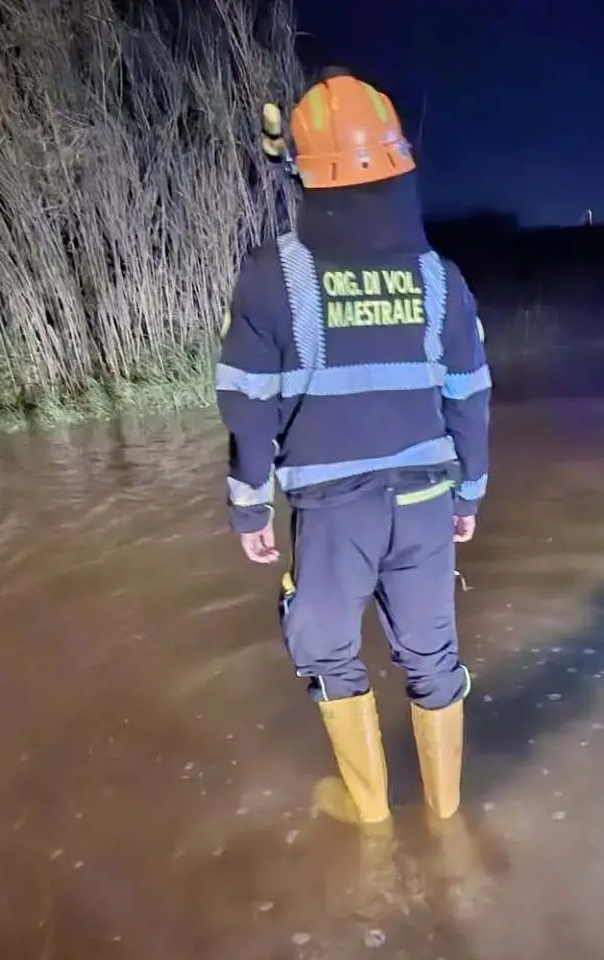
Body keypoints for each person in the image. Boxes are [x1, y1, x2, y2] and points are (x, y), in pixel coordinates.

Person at [216, 68, 491, 830]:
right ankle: (447, 822)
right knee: (433, 657)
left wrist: (249, 507)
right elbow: (470, 395)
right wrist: (469, 492)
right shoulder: (439, 276)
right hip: (426, 499)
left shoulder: (275, 275)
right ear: (398, 164)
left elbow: (247, 402)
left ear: (306, 171)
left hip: (335, 511)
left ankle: (370, 820)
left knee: (329, 650)